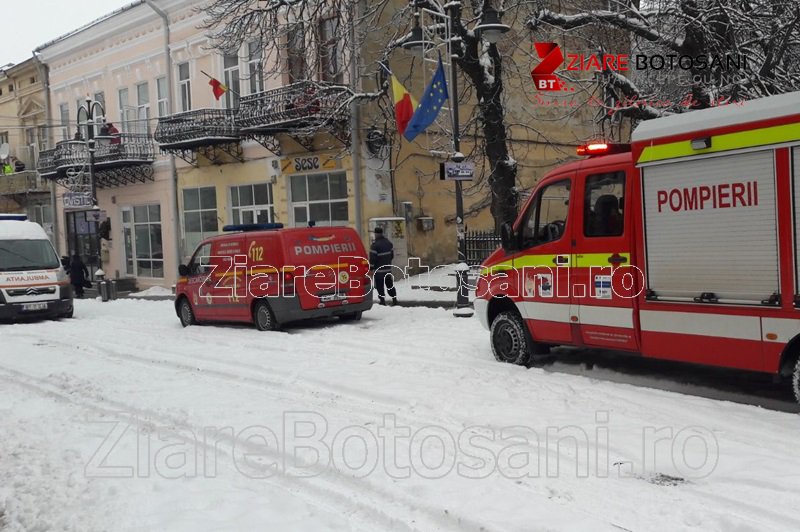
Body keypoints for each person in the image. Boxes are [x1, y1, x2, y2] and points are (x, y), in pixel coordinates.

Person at [369, 226, 397, 306]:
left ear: (376, 234)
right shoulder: (388, 243)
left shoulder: (374, 245)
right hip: (388, 269)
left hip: (379, 271)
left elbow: (373, 259)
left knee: (380, 286)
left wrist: (371, 268)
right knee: (390, 285)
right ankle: (394, 299)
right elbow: (392, 256)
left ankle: (382, 301)